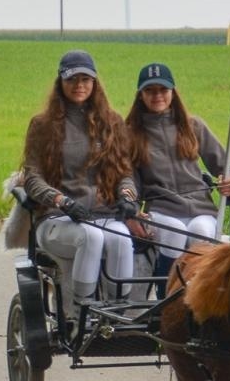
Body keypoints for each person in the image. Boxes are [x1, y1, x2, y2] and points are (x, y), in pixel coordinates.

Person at [20, 50, 141, 322]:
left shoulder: (112, 122)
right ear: (60, 83)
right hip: (56, 219)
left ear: (95, 83)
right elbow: (31, 177)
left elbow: (125, 172)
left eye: (86, 79)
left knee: (122, 237)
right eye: (72, 79)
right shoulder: (42, 125)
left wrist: (126, 195)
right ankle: (80, 314)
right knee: (92, 237)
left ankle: (116, 313)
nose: (79, 86)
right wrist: (61, 200)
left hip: (102, 214)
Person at [126, 62, 230, 290]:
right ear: (141, 95)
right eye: (150, 90)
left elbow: (228, 168)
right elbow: (129, 179)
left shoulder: (193, 125)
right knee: (174, 234)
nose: (157, 95)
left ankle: (199, 296)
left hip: (201, 208)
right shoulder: (130, 133)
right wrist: (129, 207)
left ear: (173, 92)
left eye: (163, 90)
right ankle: (166, 298)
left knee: (203, 232)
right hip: (162, 209)